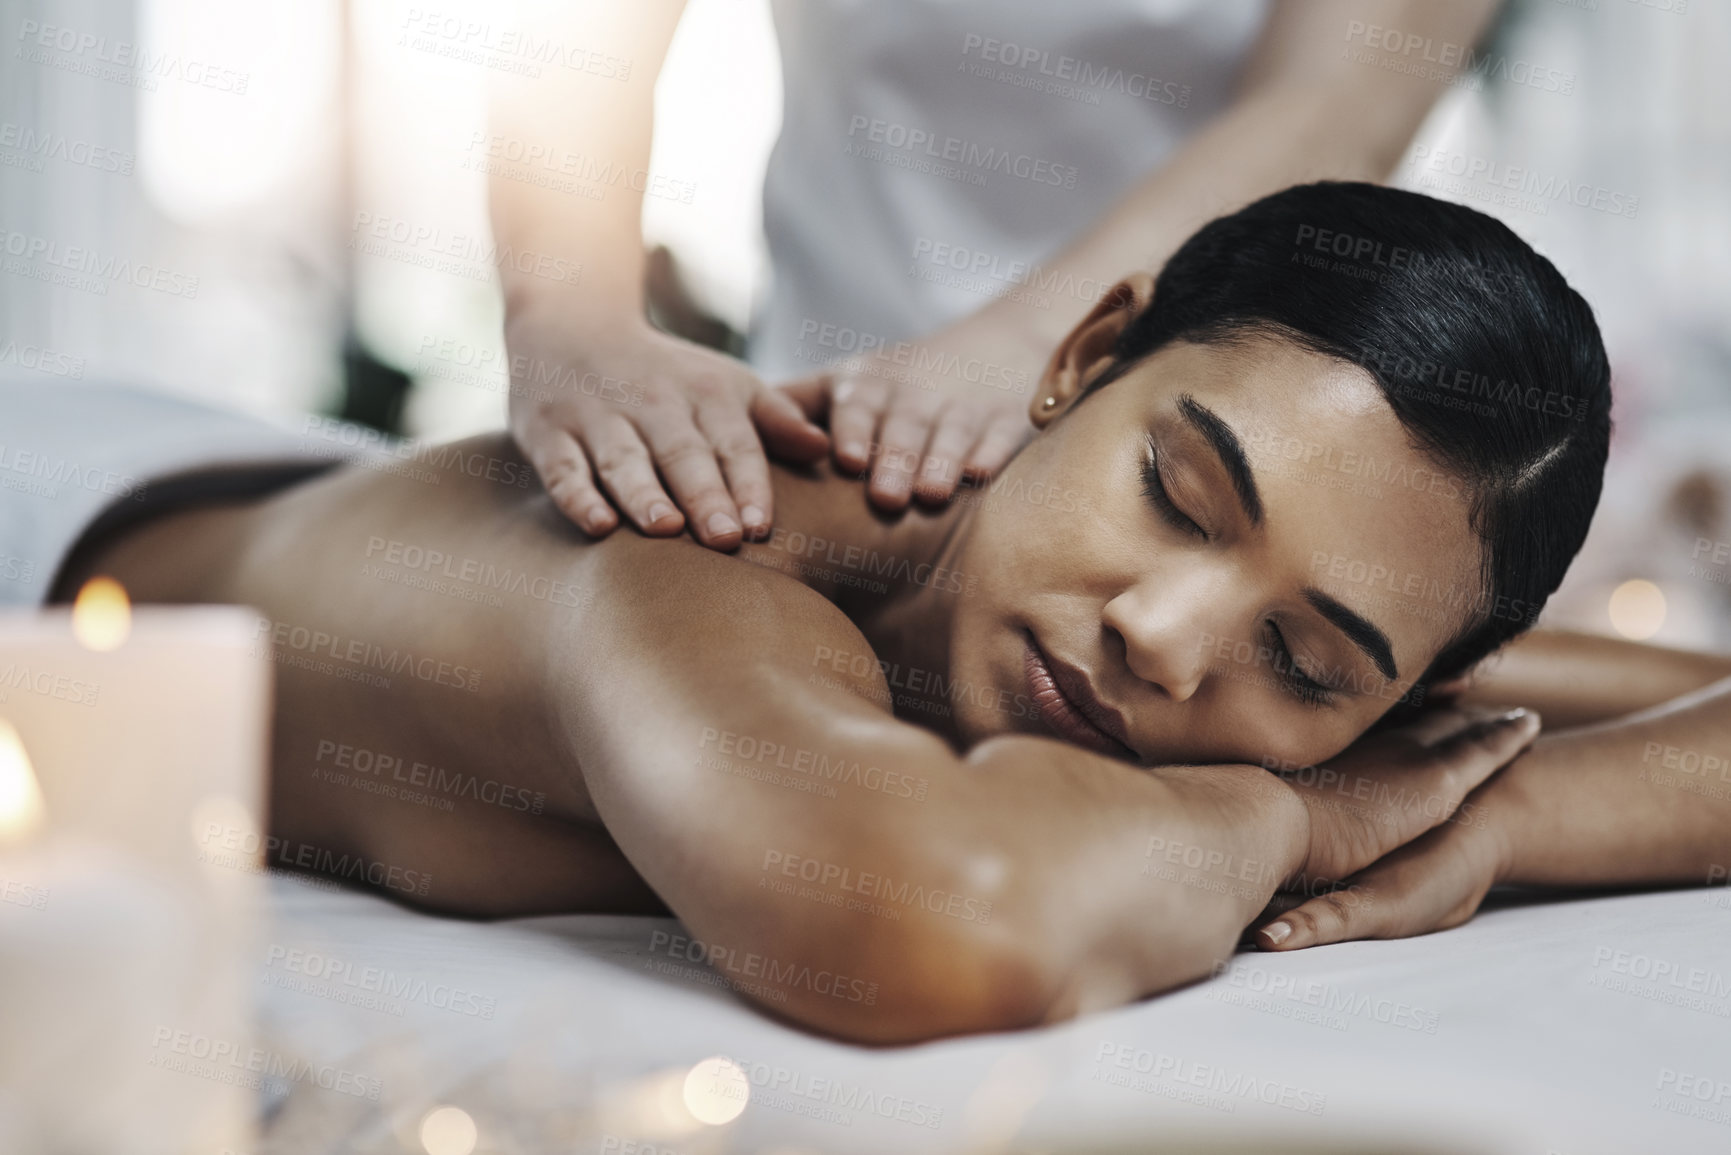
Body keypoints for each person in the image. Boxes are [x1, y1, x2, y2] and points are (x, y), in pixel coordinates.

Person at [41, 184, 1731, 1044]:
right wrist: (1321, 816)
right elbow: (940, 919)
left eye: (1303, 660)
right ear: (1080, 364)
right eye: (1178, 497)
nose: (1164, 632)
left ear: (1411, 692)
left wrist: (1491, 817)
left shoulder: (1095, 635)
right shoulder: (697, 562)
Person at [489, 0, 1500, 543]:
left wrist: (1034, 344)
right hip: (824, 421)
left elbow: (1340, 99)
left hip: (1191, 462)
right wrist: (569, 317)